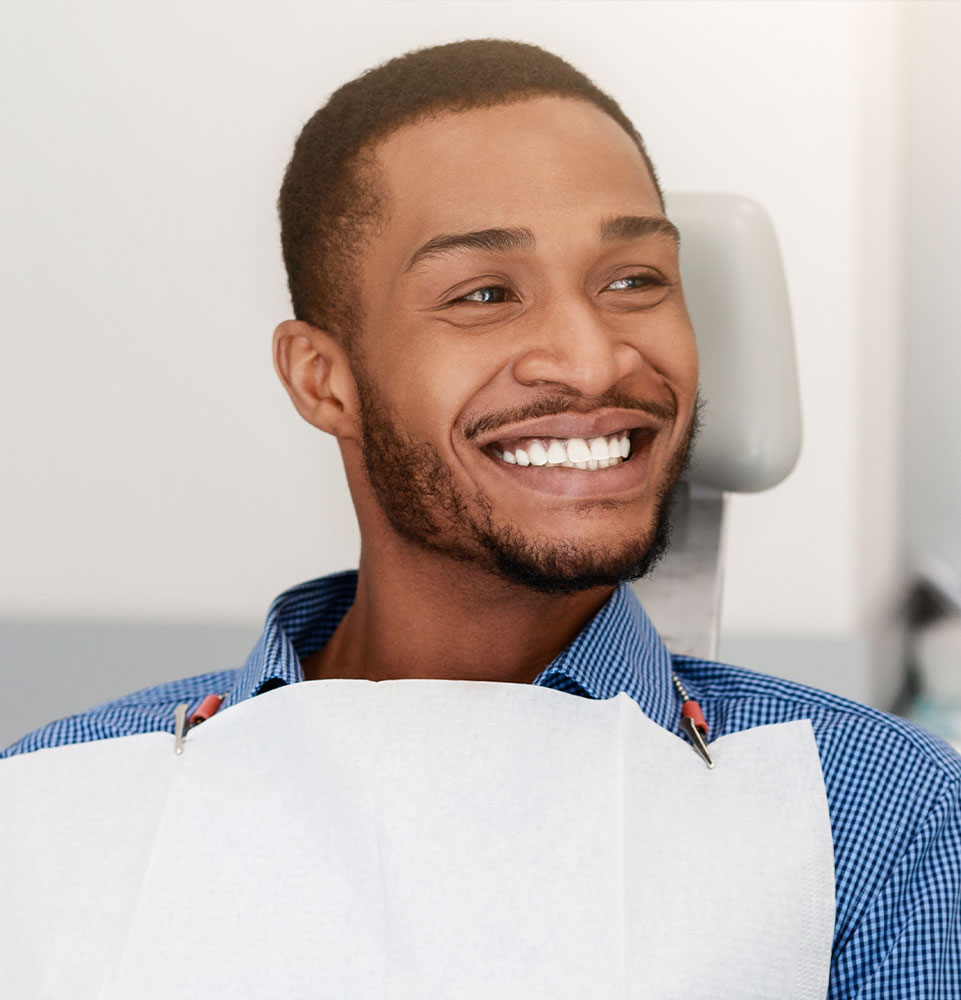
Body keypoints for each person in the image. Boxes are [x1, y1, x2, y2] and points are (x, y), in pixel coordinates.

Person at [2, 37, 959, 996]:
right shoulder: (49, 812)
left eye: (633, 281)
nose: (591, 361)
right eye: (485, 295)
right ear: (322, 380)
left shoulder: (878, 822)